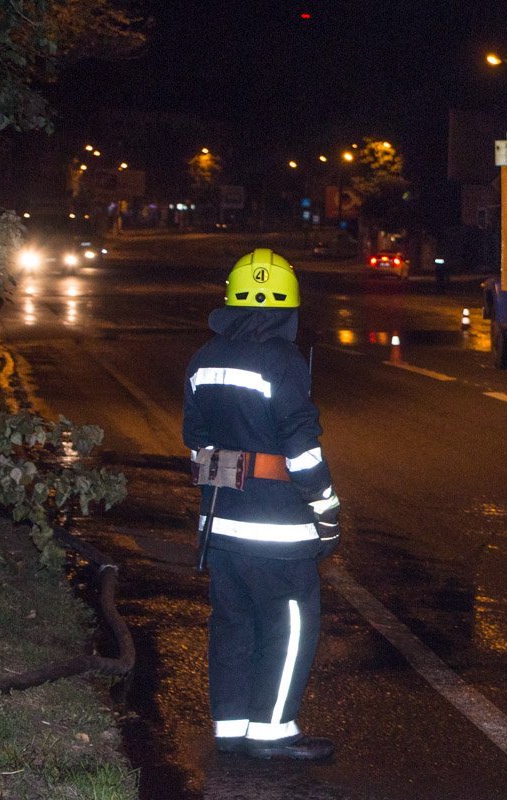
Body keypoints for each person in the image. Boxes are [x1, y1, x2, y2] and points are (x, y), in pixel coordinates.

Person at [182, 248, 341, 761]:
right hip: (277, 532)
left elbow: (195, 442)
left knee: (231, 622)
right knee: (290, 620)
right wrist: (325, 509)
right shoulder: (283, 360)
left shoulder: (203, 357)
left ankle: (231, 727)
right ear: (287, 309)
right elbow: (302, 448)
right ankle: (273, 731)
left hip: (220, 524)